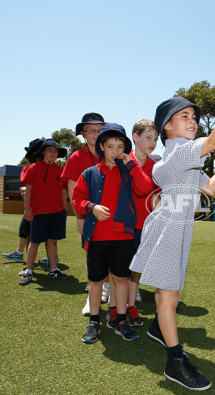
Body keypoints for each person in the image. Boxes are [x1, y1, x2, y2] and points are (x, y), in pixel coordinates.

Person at [129, 75, 215, 390]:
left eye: (195, 118)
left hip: (176, 226)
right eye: (184, 116)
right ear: (167, 128)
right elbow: (214, 140)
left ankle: (160, 328)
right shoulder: (179, 151)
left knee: (168, 291)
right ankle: (175, 361)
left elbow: (210, 189)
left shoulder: (184, 157)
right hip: (169, 227)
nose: (193, 121)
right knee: (169, 293)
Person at [72, 123, 154, 343]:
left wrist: (132, 166)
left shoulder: (129, 171)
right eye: (110, 146)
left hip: (124, 237)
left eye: (120, 147)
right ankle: (94, 321)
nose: (115, 151)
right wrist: (92, 207)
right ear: (102, 147)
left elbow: (145, 189)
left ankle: (120, 319)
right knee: (96, 280)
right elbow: (77, 200)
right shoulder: (89, 173)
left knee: (121, 278)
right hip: (98, 237)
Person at [61, 113, 110, 313]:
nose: (96, 134)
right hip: (89, 215)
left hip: (112, 213)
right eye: (92, 130)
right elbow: (73, 192)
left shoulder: (111, 150)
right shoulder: (76, 157)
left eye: (100, 130)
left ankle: (111, 289)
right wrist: (79, 217)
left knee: (115, 254)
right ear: (83, 133)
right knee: (93, 255)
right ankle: (94, 293)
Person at [122, 119, 161, 328]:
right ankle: (116, 307)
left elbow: (156, 196)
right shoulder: (121, 161)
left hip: (144, 226)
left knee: (136, 269)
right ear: (135, 138)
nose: (153, 142)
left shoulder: (156, 167)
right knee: (119, 268)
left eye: (155, 139)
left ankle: (131, 306)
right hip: (122, 224)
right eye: (148, 138)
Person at [19, 139, 70, 285]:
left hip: (57, 213)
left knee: (52, 242)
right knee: (34, 242)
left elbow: (63, 190)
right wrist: (27, 209)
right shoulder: (34, 168)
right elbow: (28, 189)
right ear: (43, 152)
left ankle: (54, 270)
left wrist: (63, 210)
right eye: (50, 150)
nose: (53, 153)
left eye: (55, 151)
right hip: (38, 213)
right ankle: (29, 271)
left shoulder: (60, 171)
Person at [2, 138, 43, 263]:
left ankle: (28, 258)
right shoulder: (32, 169)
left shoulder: (43, 169)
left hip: (39, 207)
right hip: (33, 206)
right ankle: (20, 252)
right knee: (25, 230)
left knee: (34, 233)